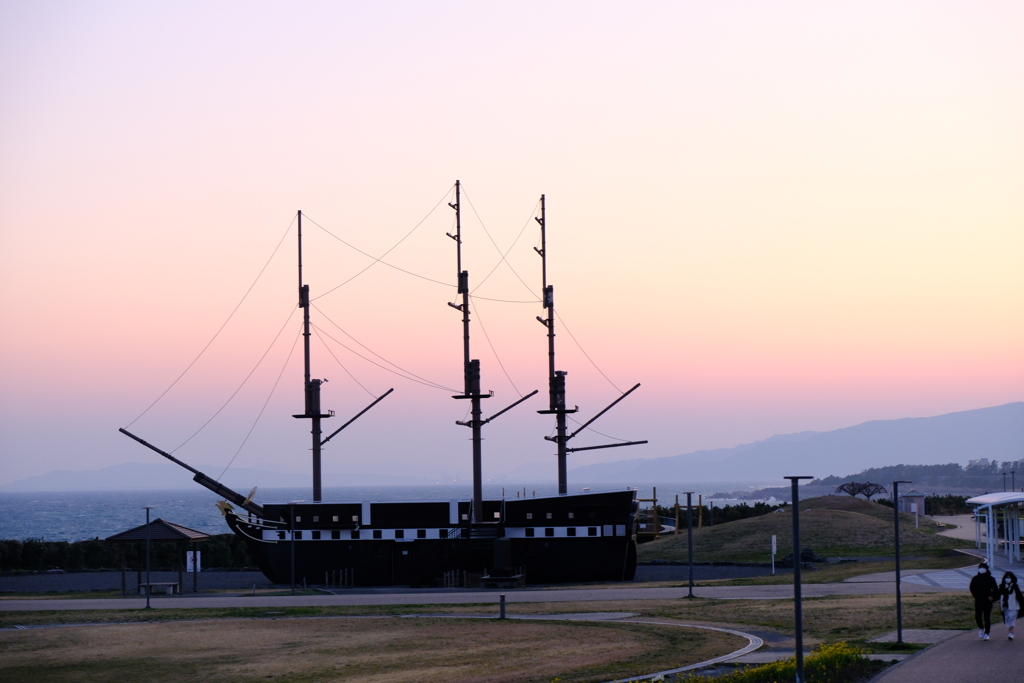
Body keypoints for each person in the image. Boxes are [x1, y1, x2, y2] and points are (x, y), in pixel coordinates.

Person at [970, 561, 999, 640]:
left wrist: (992, 597)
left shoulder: (991, 579)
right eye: (980, 568)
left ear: (986, 569)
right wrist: (975, 595)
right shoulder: (975, 578)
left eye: (983, 568)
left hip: (987, 601)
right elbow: (972, 588)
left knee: (987, 617)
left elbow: (995, 589)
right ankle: (981, 628)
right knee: (978, 616)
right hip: (978, 600)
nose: (981, 569)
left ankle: (987, 633)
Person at [1000, 571, 1024, 641]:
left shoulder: (1015, 587)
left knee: (1012, 620)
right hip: (1005, 606)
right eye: (1006, 577)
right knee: (1008, 620)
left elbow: (1020, 597)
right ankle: (1010, 631)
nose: (1008, 579)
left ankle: (1011, 633)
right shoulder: (1002, 587)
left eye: (1009, 577)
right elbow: (998, 595)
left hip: (1014, 607)